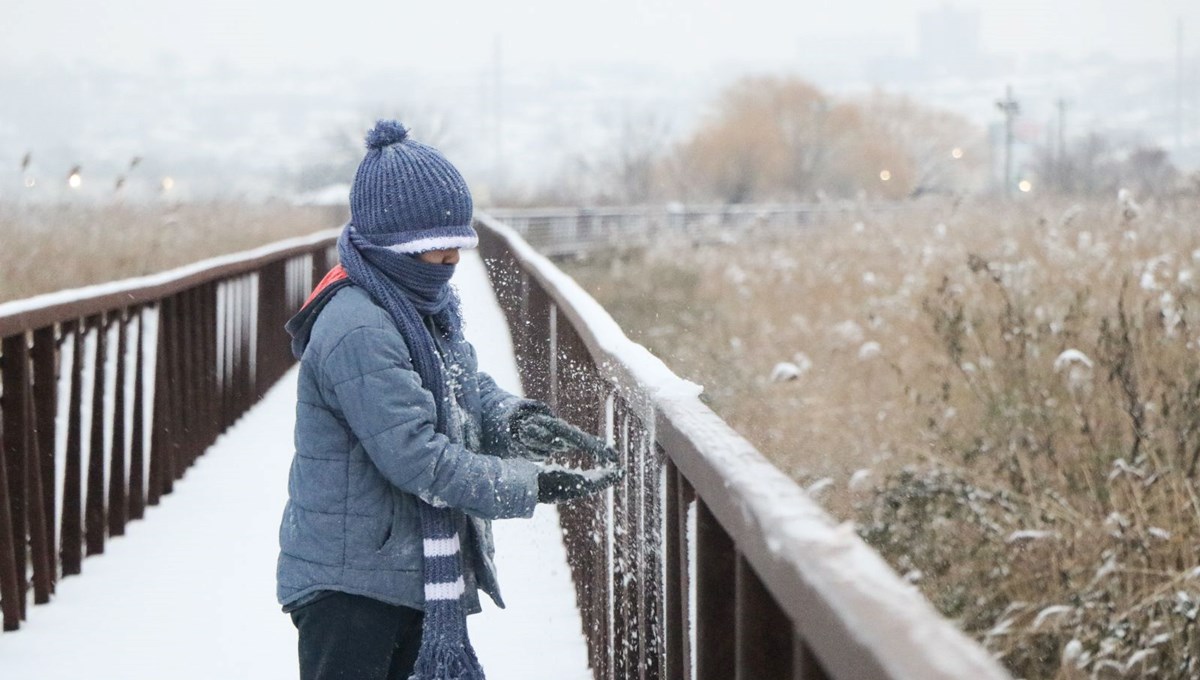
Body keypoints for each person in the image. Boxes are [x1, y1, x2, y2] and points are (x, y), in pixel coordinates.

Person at [276, 119, 622, 680]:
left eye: (456, 250)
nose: (452, 265)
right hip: (350, 589)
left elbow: (462, 386)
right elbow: (417, 456)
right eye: (437, 253)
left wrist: (516, 420)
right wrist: (529, 482)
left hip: (397, 571)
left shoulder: (415, 305)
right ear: (396, 248)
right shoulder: (359, 326)